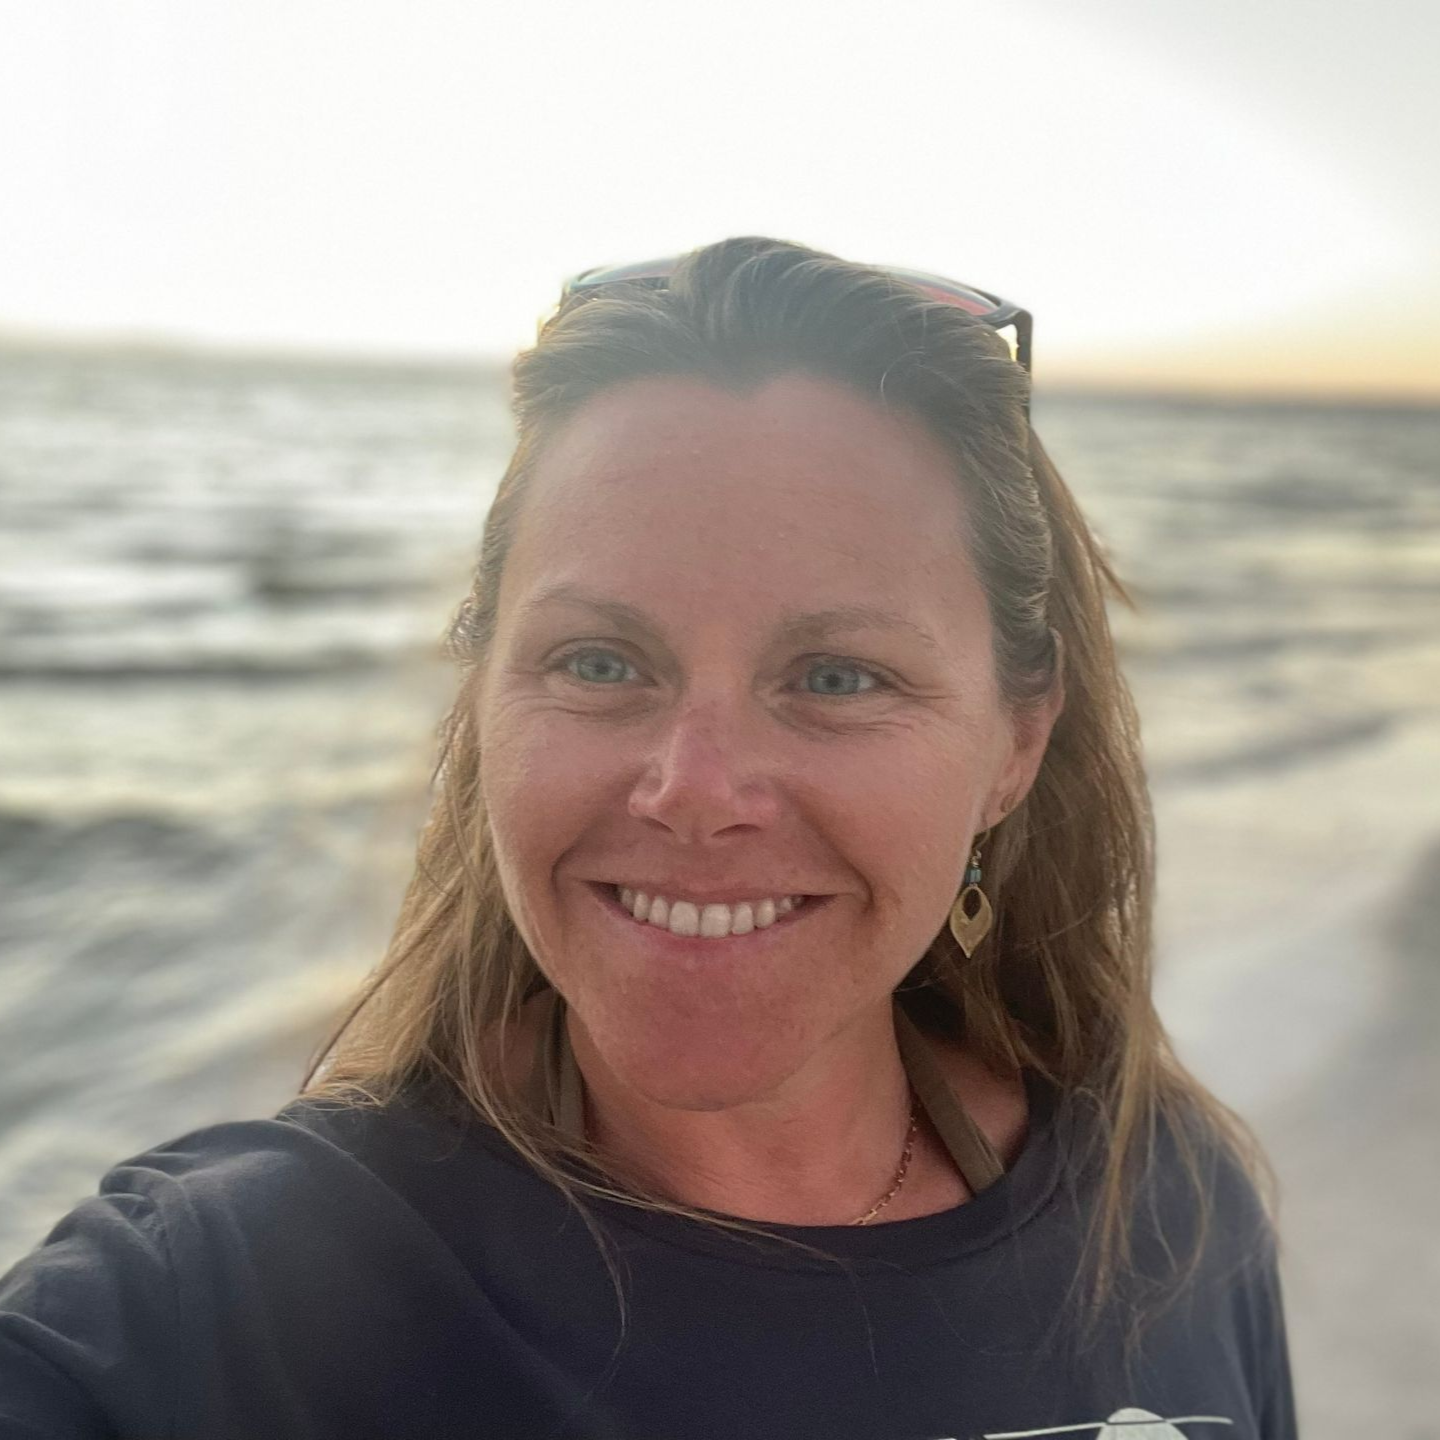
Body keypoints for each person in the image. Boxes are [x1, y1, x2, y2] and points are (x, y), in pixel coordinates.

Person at [0, 237, 1297, 1439]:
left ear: (1016, 743)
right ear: (485, 696)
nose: (696, 787)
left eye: (837, 675)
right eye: (602, 659)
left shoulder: (1169, 1208)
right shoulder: (222, 1301)